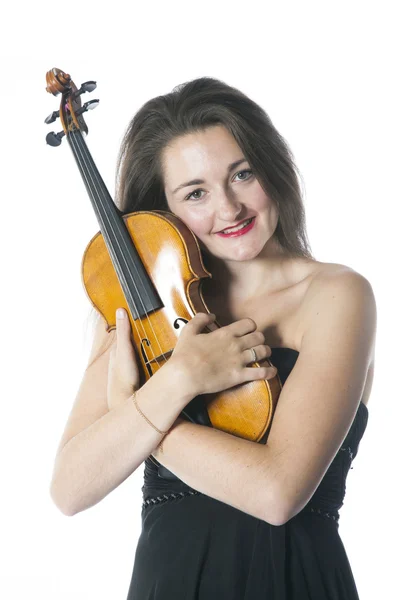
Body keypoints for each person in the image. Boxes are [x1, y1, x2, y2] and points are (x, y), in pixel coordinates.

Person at [50, 77, 376, 599]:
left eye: (242, 174)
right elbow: (70, 488)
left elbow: (277, 493)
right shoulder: (144, 312)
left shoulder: (337, 295)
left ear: (272, 169)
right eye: (195, 193)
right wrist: (177, 382)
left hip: (292, 581)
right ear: (164, 209)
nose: (228, 209)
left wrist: (139, 414)